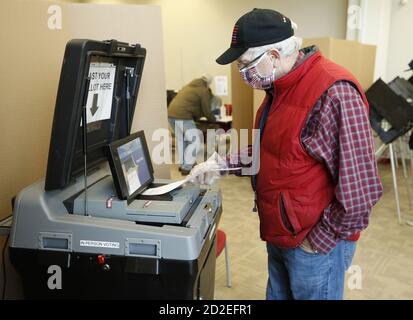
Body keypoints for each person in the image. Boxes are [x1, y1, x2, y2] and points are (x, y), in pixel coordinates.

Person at [188, 8, 383, 300]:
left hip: (315, 245)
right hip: (281, 233)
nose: (243, 75)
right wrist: (222, 163)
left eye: (246, 65)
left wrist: (316, 242)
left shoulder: (335, 92)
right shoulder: (278, 89)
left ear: (274, 56)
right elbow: (276, 151)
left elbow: (360, 194)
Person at [168, 74, 216, 175]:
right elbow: (206, 109)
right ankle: (187, 167)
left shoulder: (188, 86)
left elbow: (192, 105)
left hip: (171, 114)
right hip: (183, 116)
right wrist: (213, 119)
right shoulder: (203, 90)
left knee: (182, 140)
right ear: (208, 83)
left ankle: (183, 165)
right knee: (196, 142)